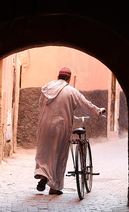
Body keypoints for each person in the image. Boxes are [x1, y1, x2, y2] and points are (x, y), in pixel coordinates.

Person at [34, 67, 106, 195]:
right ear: (69, 79)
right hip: (60, 127)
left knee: (44, 152)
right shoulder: (71, 92)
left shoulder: (46, 89)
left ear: (57, 77)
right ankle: (54, 187)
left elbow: (40, 105)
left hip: (44, 125)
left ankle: (43, 175)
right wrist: (98, 111)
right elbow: (86, 105)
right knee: (58, 154)